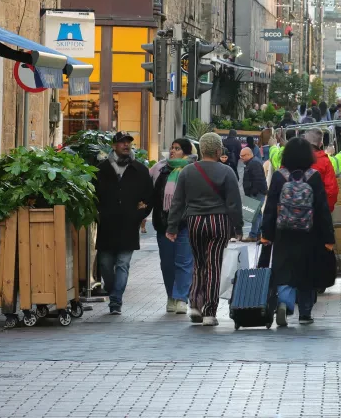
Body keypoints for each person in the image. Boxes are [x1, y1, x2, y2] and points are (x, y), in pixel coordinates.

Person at [166, 133, 244, 326]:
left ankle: (195, 305)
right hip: (219, 222)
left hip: (195, 221)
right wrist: (238, 226)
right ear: (218, 151)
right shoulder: (227, 172)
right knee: (214, 266)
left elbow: (177, 202)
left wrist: (172, 226)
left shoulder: (187, 171)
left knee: (199, 264)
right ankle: (209, 312)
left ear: (201, 150)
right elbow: (234, 202)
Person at [261, 137, 336, 327]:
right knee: (307, 272)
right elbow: (322, 209)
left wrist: (266, 234)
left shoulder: (279, 176)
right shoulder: (314, 176)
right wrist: (328, 237)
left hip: (283, 233)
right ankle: (305, 312)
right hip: (310, 235)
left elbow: (270, 207)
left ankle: (285, 305)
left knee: (284, 270)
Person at [94, 132, 154, 315]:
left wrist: (139, 215)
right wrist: (98, 214)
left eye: (128, 142)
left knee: (122, 263)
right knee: (105, 264)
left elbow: (149, 197)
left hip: (129, 225)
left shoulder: (140, 170)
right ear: (113, 146)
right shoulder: (101, 169)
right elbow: (93, 195)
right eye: (122, 142)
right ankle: (113, 290)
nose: (126, 145)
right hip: (107, 225)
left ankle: (116, 301)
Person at [152, 138, 195, 314]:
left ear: (185, 152)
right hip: (163, 224)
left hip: (185, 224)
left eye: (176, 149)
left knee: (184, 263)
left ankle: (181, 298)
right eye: (171, 148)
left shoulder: (191, 171)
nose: (172, 151)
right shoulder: (160, 170)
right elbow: (153, 195)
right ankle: (171, 295)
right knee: (167, 263)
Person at [304, 128, 341, 211]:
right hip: (320, 210)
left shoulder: (294, 157)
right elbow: (332, 190)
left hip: (298, 212)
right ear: (321, 143)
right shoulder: (325, 161)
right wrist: (326, 210)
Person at [240, 146, 268, 241]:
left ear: (249, 154)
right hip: (256, 193)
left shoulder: (254, 163)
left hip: (256, 193)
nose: (241, 158)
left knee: (254, 214)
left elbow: (258, 179)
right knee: (257, 214)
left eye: (243, 155)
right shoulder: (252, 162)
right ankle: (258, 234)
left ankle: (253, 235)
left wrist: (253, 192)